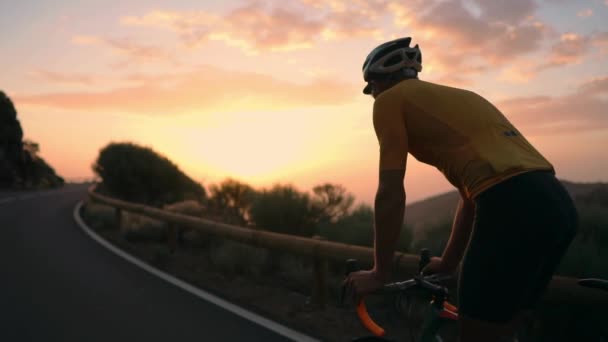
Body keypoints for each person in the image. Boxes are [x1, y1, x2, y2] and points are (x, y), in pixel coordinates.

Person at [343, 37, 579, 341]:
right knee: (504, 330)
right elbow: (470, 198)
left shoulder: (389, 101)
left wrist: (380, 272)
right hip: (558, 205)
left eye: (370, 88)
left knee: (476, 333)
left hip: (511, 206)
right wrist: (450, 261)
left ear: (379, 80)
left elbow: (390, 193)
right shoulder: (464, 97)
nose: (372, 95)